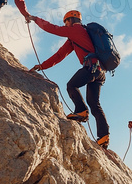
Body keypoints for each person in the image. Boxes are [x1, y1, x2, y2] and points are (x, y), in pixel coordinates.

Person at [28, 10, 110, 148]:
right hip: (100, 71)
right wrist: (42, 66)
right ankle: (104, 136)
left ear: (71, 20)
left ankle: (81, 111)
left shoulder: (75, 30)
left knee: (71, 85)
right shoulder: (77, 35)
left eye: (65, 21)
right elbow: (60, 55)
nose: (65, 25)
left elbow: (52, 28)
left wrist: (35, 19)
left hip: (91, 68)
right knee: (94, 103)